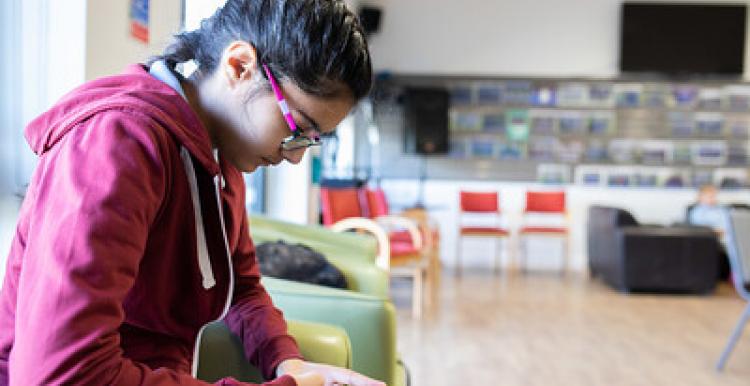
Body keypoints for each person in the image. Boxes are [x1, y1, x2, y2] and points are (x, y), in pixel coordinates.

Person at [0, 1, 383, 385]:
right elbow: (58, 374)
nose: (297, 157)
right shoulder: (117, 144)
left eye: (311, 141)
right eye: (296, 128)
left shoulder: (222, 157)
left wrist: (286, 360)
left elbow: (242, 286)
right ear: (239, 67)